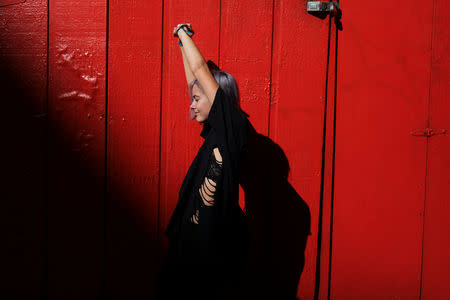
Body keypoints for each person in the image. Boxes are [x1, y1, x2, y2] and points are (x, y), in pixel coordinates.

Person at [155, 24, 250, 300]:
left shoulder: (233, 130)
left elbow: (200, 73)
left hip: (213, 252)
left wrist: (183, 32)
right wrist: (182, 47)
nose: (192, 105)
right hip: (189, 246)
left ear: (217, 99)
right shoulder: (214, 132)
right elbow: (193, 80)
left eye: (197, 99)